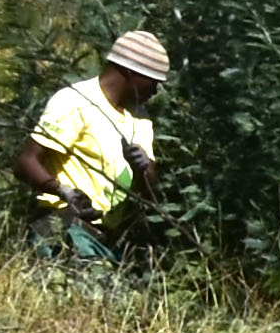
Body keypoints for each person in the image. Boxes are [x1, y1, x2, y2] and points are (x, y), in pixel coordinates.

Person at [25, 31, 172, 234]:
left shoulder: (140, 119)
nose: (155, 90)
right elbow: (26, 162)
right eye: (153, 81)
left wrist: (142, 168)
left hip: (105, 234)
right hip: (61, 222)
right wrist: (63, 191)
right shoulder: (76, 101)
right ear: (130, 72)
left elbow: (149, 189)